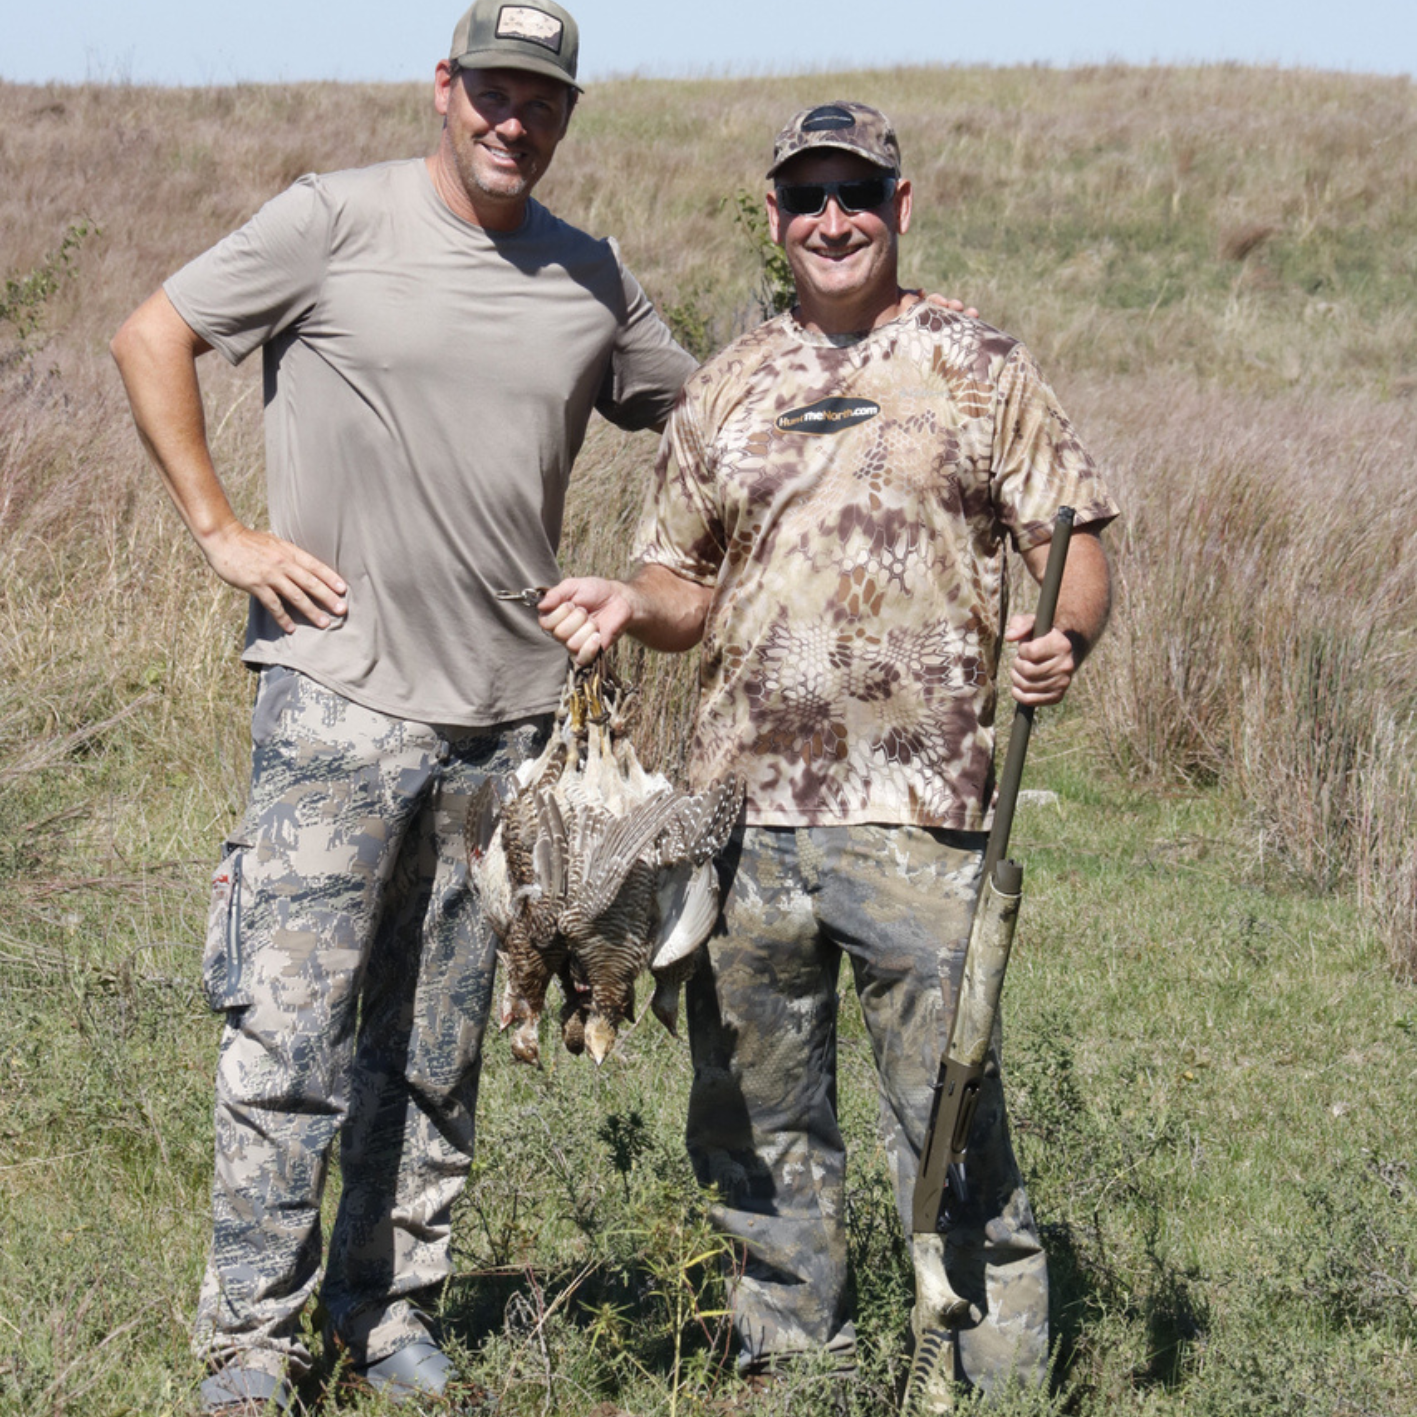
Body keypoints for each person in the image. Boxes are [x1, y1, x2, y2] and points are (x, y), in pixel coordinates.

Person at [110, 2, 697, 1409]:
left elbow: (708, 418)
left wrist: (653, 576)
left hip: (508, 730)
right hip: (337, 706)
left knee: (436, 1046)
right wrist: (219, 531)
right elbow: (152, 335)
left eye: (542, 101)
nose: (515, 121)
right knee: (288, 1040)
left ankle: (386, 1318)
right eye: (493, 91)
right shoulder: (332, 221)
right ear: (443, 89)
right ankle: (252, 1346)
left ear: (568, 114)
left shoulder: (591, 276)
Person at [539, 101, 1120, 1407]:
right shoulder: (729, 384)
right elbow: (681, 581)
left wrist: (1062, 636)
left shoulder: (978, 361)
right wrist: (633, 605)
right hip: (741, 816)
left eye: (857, 193)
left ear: (900, 208)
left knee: (949, 1109)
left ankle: (992, 1373)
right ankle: (793, 1360)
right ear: (775, 218)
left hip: (920, 809)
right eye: (808, 197)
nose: (833, 219)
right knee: (754, 1115)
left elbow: (1069, 539)